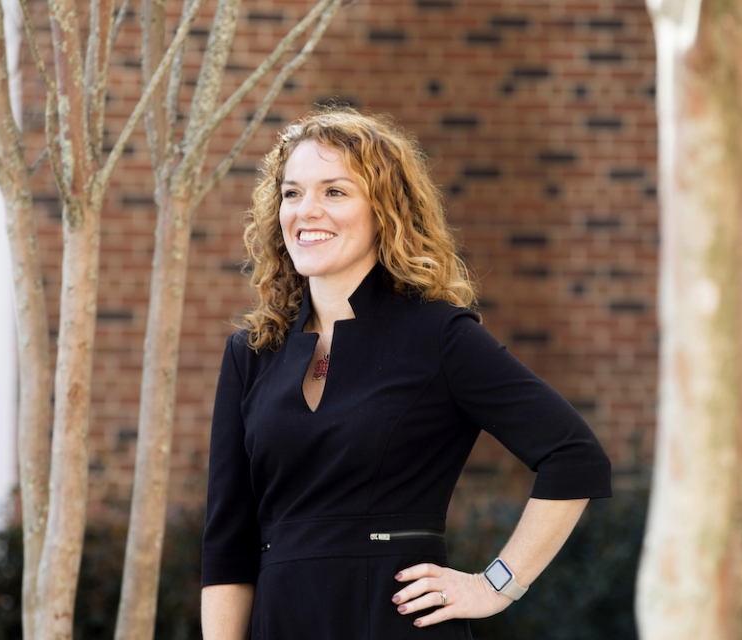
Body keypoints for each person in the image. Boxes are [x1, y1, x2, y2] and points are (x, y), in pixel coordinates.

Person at [200, 109, 611, 639]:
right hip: (282, 621)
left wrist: (495, 585)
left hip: (394, 620)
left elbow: (574, 457)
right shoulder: (251, 353)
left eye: (335, 192)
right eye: (292, 193)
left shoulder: (438, 336)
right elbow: (227, 543)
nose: (307, 211)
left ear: (385, 210)